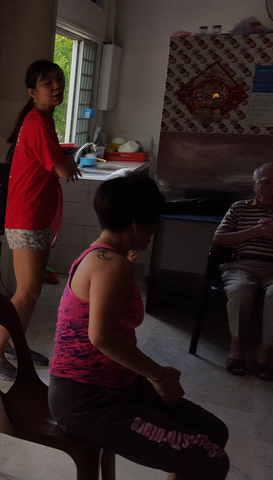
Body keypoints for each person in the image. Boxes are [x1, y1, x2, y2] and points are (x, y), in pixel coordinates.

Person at [49, 175, 230, 480]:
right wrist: (158, 375)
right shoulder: (112, 265)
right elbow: (102, 337)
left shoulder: (99, 254)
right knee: (210, 459)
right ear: (136, 225)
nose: (154, 231)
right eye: (153, 223)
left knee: (214, 431)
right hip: (88, 401)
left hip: (115, 387)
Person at [0, 60, 82, 381]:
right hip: (26, 217)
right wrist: (70, 162)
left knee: (32, 291)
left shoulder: (42, 119)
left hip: (35, 215)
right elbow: (64, 171)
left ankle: (13, 343)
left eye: (59, 79)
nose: (56, 86)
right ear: (33, 92)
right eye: (47, 83)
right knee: (27, 292)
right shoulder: (37, 122)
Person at [213, 162, 273, 380]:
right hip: (241, 265)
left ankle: (265, 350)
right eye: (266, 183)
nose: (272, 188)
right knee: (240, 290)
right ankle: (236, 345)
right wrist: (256, 231)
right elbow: (219, 239)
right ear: (254, 185)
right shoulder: (239, 207)